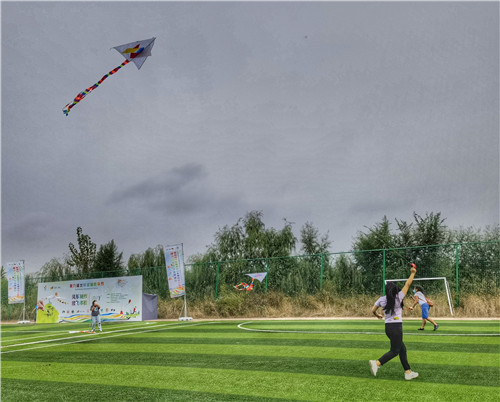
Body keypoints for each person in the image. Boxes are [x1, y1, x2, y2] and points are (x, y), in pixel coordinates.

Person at [369, 265, 419, 380]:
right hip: (397, 328)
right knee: (395, 351)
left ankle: (408, 372)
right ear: (396, 290)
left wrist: (377, 315)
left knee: (402, 349)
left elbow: (373, 310)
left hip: (388, 328)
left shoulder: (381, 299)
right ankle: (376, 363)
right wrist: (413, 273)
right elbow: (407, 284)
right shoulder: (399, 297)